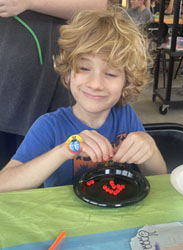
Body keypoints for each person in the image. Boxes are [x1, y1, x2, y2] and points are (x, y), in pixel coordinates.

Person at [0, 8, 167, 192]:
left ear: (126, 83)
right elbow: (4, 184)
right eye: (84, 68)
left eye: (111, 73)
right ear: (68, 73)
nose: (95, 84)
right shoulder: (50, 126)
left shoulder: (125, 116)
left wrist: (149, 147)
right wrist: (64, 151)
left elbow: (159, 177)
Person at [0, 0, 108, 170]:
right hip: (10, 84)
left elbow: (100, 6)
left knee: (68, 167)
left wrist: (29, 3)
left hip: (64, 80)